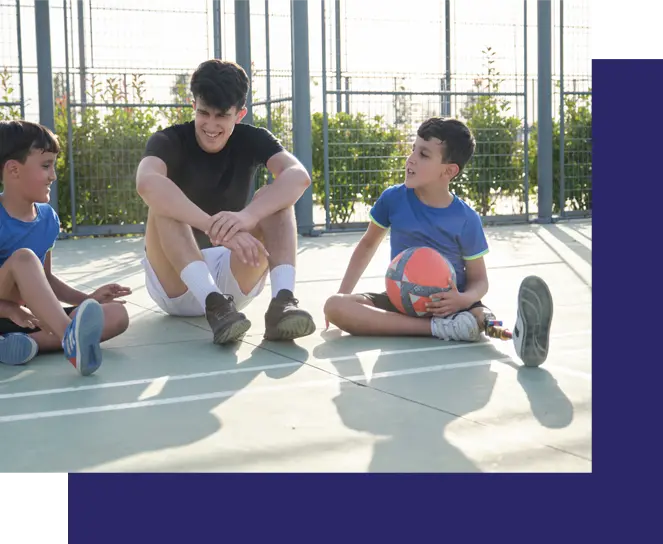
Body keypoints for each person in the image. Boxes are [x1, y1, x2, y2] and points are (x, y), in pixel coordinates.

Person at [323, 117, 553, 367]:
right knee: (335, 305)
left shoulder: (466, 218)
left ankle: (515, 338)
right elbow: (367, 245)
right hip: (401, 301)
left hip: (450, 305)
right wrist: (344, 292)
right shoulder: (393, 199)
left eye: (423, 154)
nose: (410, 159)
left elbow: (479, 281)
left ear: (449, 170)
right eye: (413, 149)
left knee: (483, 316)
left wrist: (463, 301)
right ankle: (435, 329)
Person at [136, 59, 316, 345]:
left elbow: (299, 177)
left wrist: (247, 217)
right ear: (192, 105)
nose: (210, 124)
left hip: (232, 279)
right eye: (203, 112)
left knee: (274, 197)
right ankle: (213, 303)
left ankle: (283, 302)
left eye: (221, 116)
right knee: (162, 198)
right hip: (175, 282)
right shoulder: (169, 139)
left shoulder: (253, 138)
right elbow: (146, 182)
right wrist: (213, 226)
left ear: (240, 114)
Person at [0, 120, 131, 374]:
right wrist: (8, 308)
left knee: (116, 315)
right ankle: (70, 339)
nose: (53, 175)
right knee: (25, 259)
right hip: (5, 311)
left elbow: (46, 279)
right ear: (14, 170)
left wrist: (88, 300)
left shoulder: (48, 219)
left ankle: (26, 345)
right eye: (46, 166)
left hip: (30, 317)